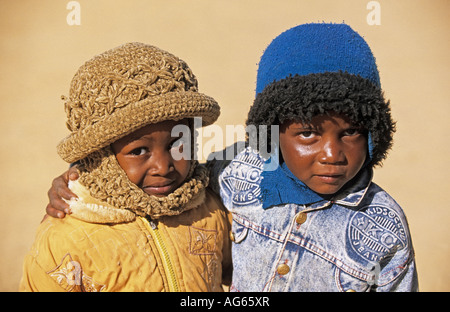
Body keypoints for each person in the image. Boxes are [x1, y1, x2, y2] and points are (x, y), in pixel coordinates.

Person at [215, 23, 418, 291]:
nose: (332, 155)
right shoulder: (238, 172)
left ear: (373, 133)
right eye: (308, 134)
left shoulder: (384, 225)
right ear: (271, 133)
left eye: (351, 132)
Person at [20, 42, 231, 292]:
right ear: (102, 155)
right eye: (139, 151)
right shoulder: (63, 240)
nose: (163, 167)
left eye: (178, 143)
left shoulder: (212, 210)